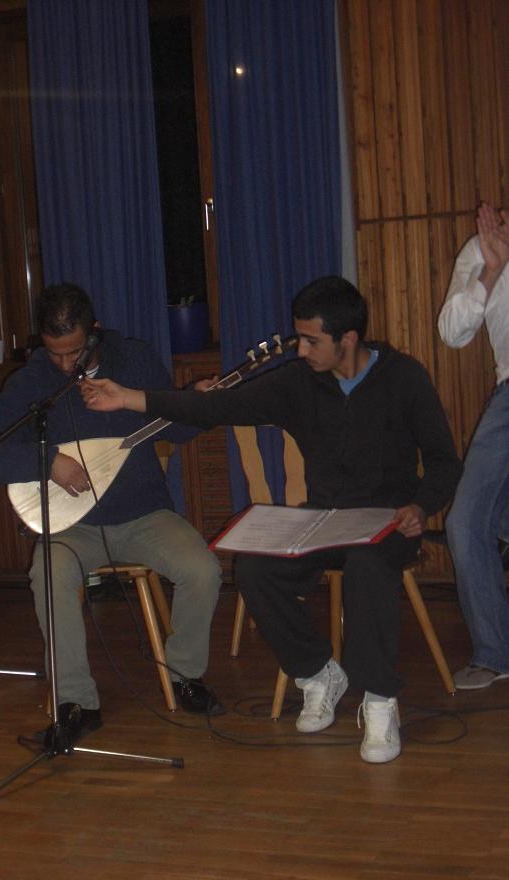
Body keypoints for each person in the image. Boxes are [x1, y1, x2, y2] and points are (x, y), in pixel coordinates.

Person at [83, 276, 462, 763]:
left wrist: (421, 506)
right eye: (299, 338)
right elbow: (219, 406)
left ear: (348, 339)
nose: (300, 350)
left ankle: (379, 699)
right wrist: (131, 398)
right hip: (325, 519)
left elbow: (444, 461)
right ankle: (318, 673)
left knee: (368, 568)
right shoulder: (299, 383)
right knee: (255, 568)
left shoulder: (403, 378)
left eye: (311, 340)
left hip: (390, 522)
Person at [0, 283, 223, 742]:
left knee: (202, 569)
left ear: (95, 332)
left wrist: (197, 404)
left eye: (74, 351)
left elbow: (176, 429)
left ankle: (185, 675)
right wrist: (48, 461)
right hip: (74, 526)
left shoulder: (135, 359)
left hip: (144, 512)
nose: (66, 363)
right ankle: (76, 701)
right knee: (48, 574)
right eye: (55, 353)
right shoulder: (32, 383)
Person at [438, 201, 509, 690]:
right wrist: (491, 270)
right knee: (465, 523)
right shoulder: (482, 248)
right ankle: (494, 652)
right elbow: (451, 332)